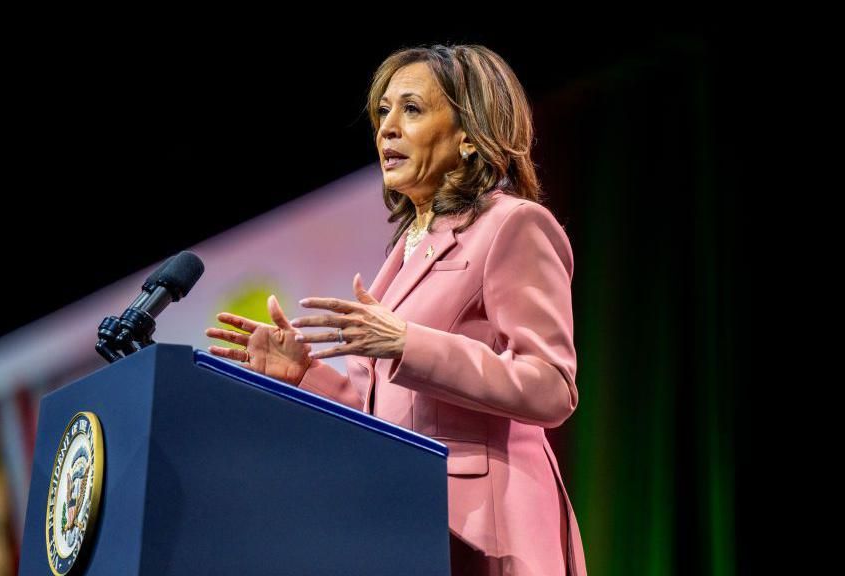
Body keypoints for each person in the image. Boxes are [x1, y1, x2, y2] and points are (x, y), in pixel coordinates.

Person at [206, 44, 587, 575]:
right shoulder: (404, 253)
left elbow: (551, 386)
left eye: (411, 109)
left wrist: (410, 342)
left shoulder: (512, 225)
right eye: (383, 112)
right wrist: (306, 376)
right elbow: (386, 410)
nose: (386, 128)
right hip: (407, 524)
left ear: (470, 136)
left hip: (489, 530)